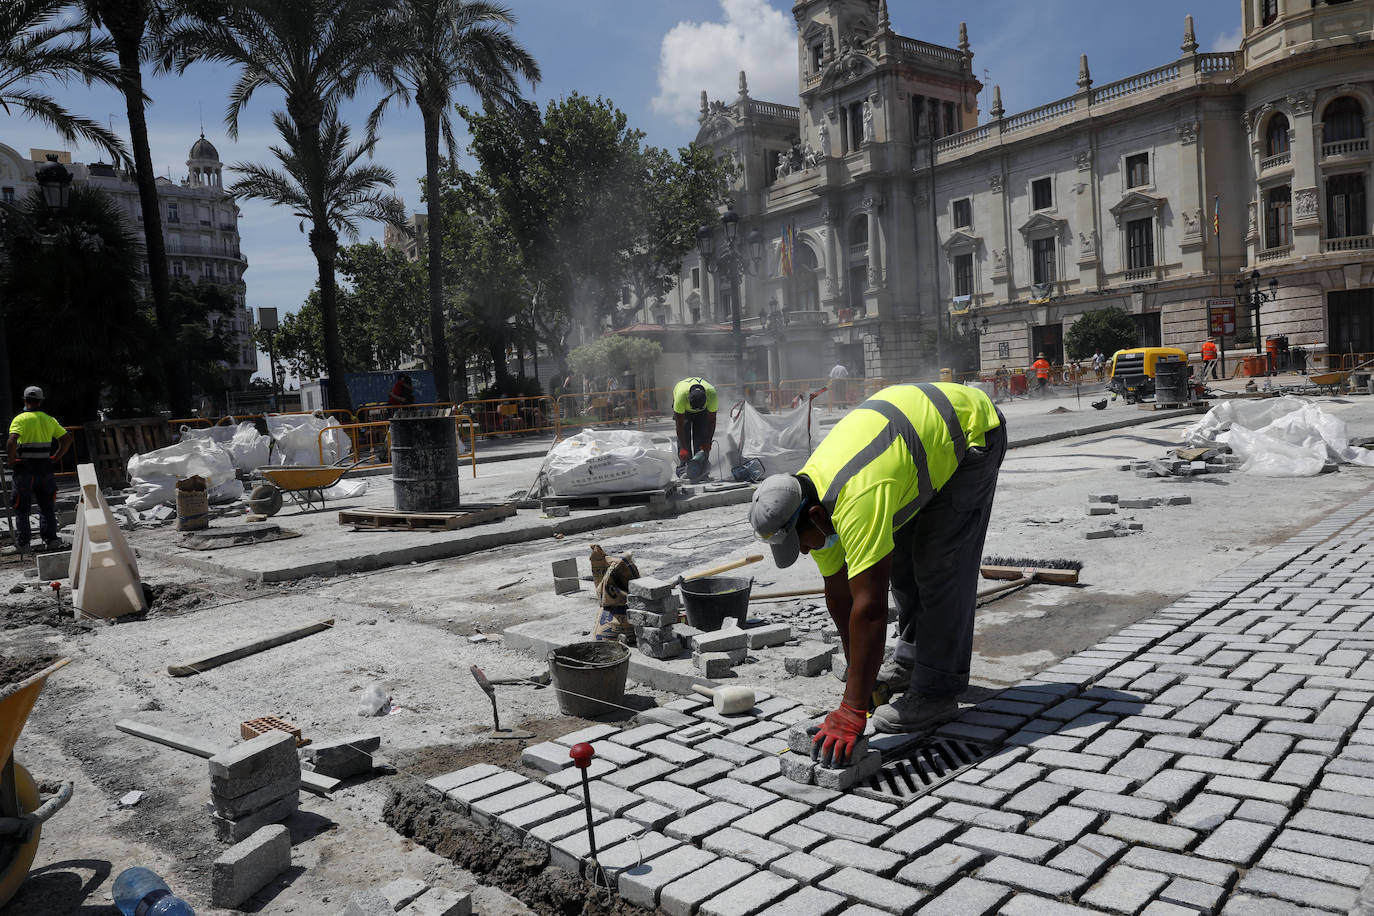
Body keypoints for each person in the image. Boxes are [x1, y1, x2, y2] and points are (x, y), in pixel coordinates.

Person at [749, 383, 1005, 763]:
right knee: (900, 561)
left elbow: (869, 607)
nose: (803, 550)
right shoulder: (808, 498)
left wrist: (852, 710)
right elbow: (840, 596)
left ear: (815, 518)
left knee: (938, 568)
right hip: (906, 444)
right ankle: (912, 660)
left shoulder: (856, 498)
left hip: (970, 435)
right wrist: (860, 677)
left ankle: (937, 690)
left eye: (800, 542)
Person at [6, 386, 73, 555]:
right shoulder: (49, 420)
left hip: (25, 470)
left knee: (22, 508)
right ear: (41, 401)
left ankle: (24, 544)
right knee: (47, 507)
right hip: (45, 469)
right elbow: (67, 439)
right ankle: (51, 541)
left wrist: (11, 460)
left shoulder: (20, 419)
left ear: (25, 400)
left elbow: (12, 441)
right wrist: (57, 457)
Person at [672, 377, 718, 474]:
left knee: (701, 436)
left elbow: (711, 421)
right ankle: (684, 467)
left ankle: (701, 466)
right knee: (684, 431)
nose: (696, 410)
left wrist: (708, 442)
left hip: (703, 413)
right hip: (684, 412)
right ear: (688, 399)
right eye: (694, 408)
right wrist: (684, 448)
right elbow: (679, 425)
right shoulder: (681, 397)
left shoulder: (712, 394)